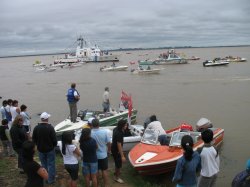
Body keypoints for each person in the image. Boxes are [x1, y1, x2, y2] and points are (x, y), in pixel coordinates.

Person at [32, 112, 57, 184]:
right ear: (47, 119)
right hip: (50, 149)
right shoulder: (50, 127)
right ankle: (51, 179)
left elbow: (34, 139)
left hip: (40, 149)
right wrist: (53, 146)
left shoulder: (36, 128)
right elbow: (54, 140)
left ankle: (45, 178)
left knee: (43, 164)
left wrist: (37, 144)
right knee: (51, 164)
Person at [91, 118, 111, 187]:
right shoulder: (105, 132)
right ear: (99, 124)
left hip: (94, 156)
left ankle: (98, 184)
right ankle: (106, 185)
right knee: (104, 170)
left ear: (91, 125)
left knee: (96, 171)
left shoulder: (90, 133)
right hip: (103, 155)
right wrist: (108, 151)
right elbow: (109, 143)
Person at [111, 119, 127, 184]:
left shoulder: (115, 129)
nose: (126, 126)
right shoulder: (120, 133)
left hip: (113, 148)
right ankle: (117, 178)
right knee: (119, 164)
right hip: (117, 150)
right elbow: (119, 145)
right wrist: (122, 155)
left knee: (116, 162)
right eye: (125, 125)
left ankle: (116, 172)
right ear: (122, 125)